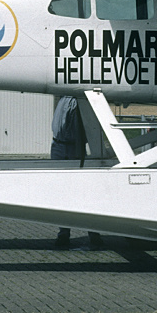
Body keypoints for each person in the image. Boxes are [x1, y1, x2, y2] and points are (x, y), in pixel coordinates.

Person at [51, 96, 103, 250]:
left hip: (73, 147)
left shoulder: (79, 100)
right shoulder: (62, 99)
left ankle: (93, 233)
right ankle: (64, 233)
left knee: (82, 192)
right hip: (59, 145)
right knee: (62, 193)